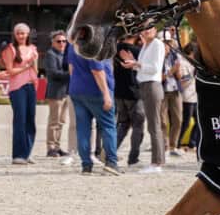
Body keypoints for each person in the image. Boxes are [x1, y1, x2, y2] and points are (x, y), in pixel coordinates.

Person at [67, 41, 120, 175]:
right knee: (109, 126)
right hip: (96, 92)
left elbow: (71, 68)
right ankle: (111, 162)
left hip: (77, 90)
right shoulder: (94, 45)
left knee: (83, 129)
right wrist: (106, 94)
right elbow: (97, 70)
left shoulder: (74, 45)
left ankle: (86, 165)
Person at [2, 23, 39, 165]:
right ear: (15, 34)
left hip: (31, 86)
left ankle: (27, 152)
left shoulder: (33, 49)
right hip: (18, 87)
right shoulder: (11, 49)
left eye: (23, 33)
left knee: (31, 120)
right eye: (18, 33)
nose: (21, 36)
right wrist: (25, 67)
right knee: (20, 120)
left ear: (28, 34)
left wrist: (33, 65)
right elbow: (10, 70)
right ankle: (18, 154)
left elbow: (35, 69)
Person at [135, 25, 166, 173]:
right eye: (144, 28)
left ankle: (157, 163)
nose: (146, 31)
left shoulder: (157, 44)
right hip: (146, 84)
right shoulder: (146, 45)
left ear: (155, 30)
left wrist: (137, 64)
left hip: (152, 85)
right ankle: (158, 161)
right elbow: (142, 68)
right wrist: (133, 64)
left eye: (149, 28)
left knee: (154, 125)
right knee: (154, 125)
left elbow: (154, 68)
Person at [113, 33, 145, 167]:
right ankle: (133, 158)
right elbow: (145, 68)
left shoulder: (114, 50)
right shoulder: (138, 51)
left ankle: (109, 151)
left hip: (119, 92)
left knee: (122, 124)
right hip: (134, 92)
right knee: (138, 126)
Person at [43, 31, 74, 159]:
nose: (62, 43)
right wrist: (71, 74)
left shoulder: (65, 54)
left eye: (64, 41)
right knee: (54, 121)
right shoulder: (50, 54)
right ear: (53, 42)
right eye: (59, 41)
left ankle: (57, 146)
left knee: (61, 122)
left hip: (66, 91)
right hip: (55, 92)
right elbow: (53, 73)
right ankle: (50, 148)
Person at [161, 33, 184, 158]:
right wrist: (171, 71)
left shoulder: (175, 56)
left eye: (169, 42)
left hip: (175, 90)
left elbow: (179, 76)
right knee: (163, 121)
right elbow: (159, 78)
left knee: (178, 119)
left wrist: (178, 71)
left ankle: (173, 146)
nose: (167, 44)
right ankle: (164, 146)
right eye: (165, 42)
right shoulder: (157, 58)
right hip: (162, 91)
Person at [175, 47, 198, 156]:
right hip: (186, 97)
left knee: (198, 121)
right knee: (186, 122)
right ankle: (178, 143)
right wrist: (193, 73)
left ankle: (191, 143)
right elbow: (182, 80)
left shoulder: (194, 64)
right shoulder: (183, 63)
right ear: (191, 52)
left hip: (195, 96)